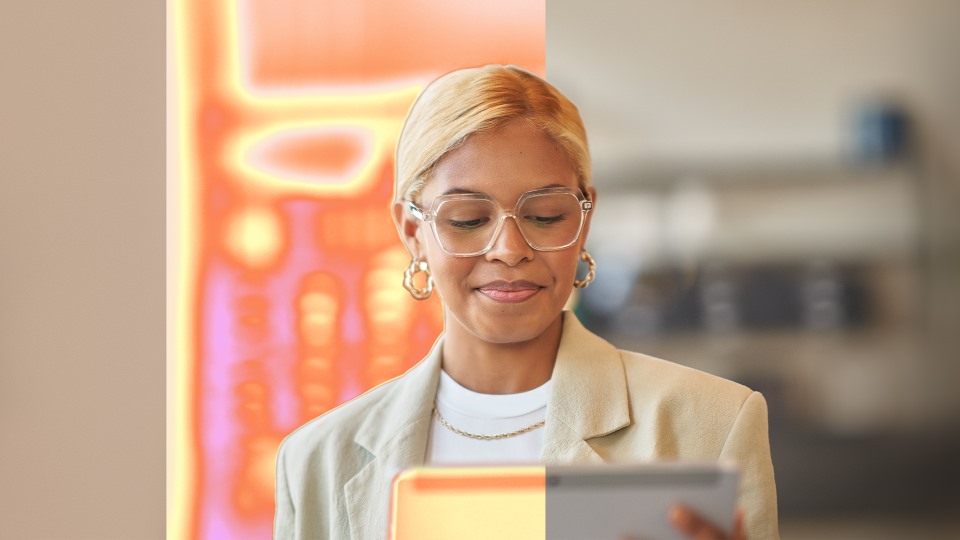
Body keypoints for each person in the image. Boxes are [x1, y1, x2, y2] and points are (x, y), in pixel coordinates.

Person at [274, 65, 779, 540]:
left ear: (584, 220)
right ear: (412, 232)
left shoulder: (713, 423)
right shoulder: (316, 461)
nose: (510, 250)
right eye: (468, 219)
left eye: (545, 215)